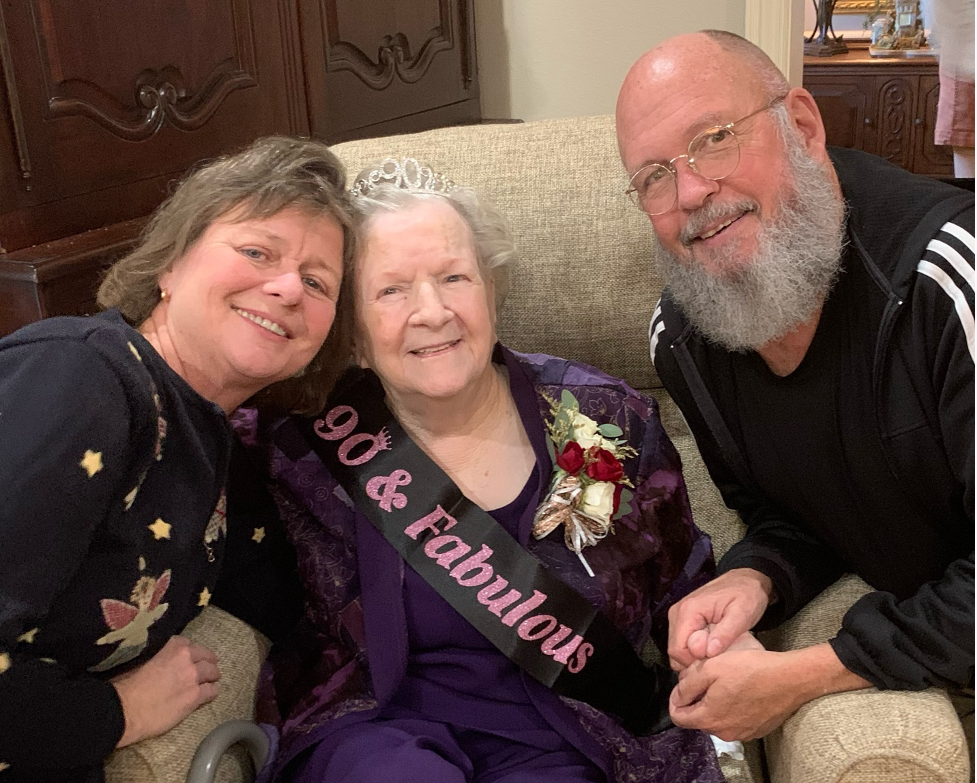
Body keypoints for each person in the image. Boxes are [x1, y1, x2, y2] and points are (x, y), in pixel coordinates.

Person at [233, 158, 736, 782]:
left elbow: (687, 588)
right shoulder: (302, 439)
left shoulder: (608, 417)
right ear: (351, 333)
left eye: (454, 277)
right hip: (375, 728)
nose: (433, 311)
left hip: (570, 734)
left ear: (491, 292)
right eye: (390, 290)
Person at [615, 27, 975, 759]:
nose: (690, 193)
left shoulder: (948, 282)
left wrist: (800, 674)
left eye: (714, 138)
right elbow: (789, 511)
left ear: (802, 127)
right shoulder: (682, 340)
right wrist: (755, 576)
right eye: (653, 174)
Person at [0, 136, 356, 783]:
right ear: (170, 264)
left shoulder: (211, 432)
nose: (284, 288)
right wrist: (115, 711)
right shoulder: (88, 378)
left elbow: (276, 597)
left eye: (316, 281)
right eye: (256, 251)